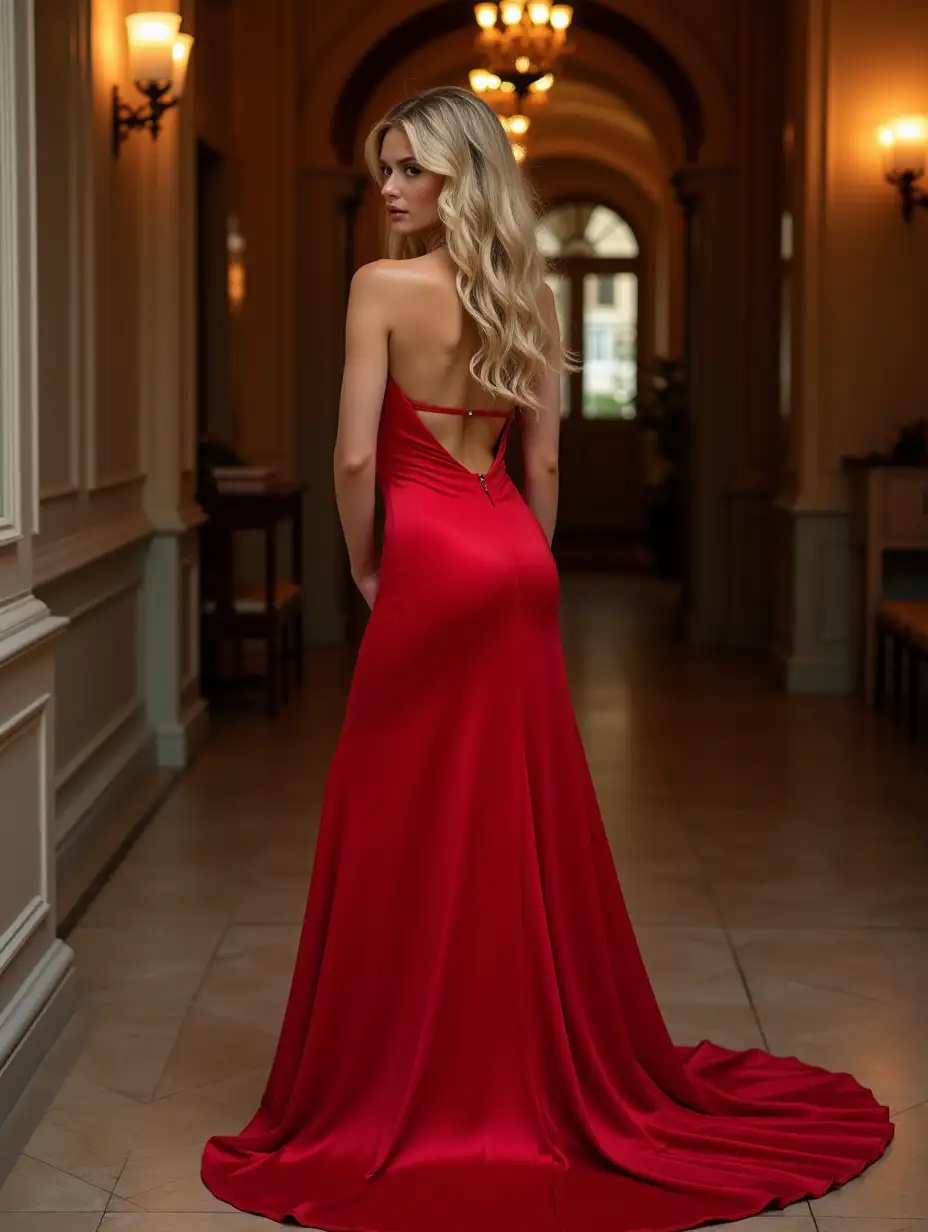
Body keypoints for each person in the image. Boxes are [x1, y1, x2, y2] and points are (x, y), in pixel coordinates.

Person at [201, 85, 892, 1232]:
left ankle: (401, 1080)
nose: (389, 187)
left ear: (457, 176)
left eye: (410, 169)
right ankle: (526, 1061)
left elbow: (353, 458)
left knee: (398, 815)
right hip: (513, 553)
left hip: (424, 556)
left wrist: (371, 575)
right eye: (383, 167)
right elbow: (547, 465)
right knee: (519, 816)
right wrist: (523, 565)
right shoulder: (525, 293)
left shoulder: (379, 286)